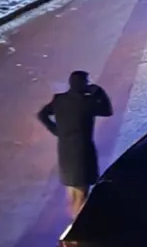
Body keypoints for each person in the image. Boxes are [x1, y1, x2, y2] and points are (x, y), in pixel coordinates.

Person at [37, 71, 112, 218]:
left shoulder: (59, 100)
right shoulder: (87, 102)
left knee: (72, 194)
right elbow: (107, 110)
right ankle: (78, 226)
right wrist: (99, 92)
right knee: (81, 197)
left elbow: (42, 114)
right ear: (83, 84)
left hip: (65, 154)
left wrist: (56, 130)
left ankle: (73, 223)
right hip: (82, 154)